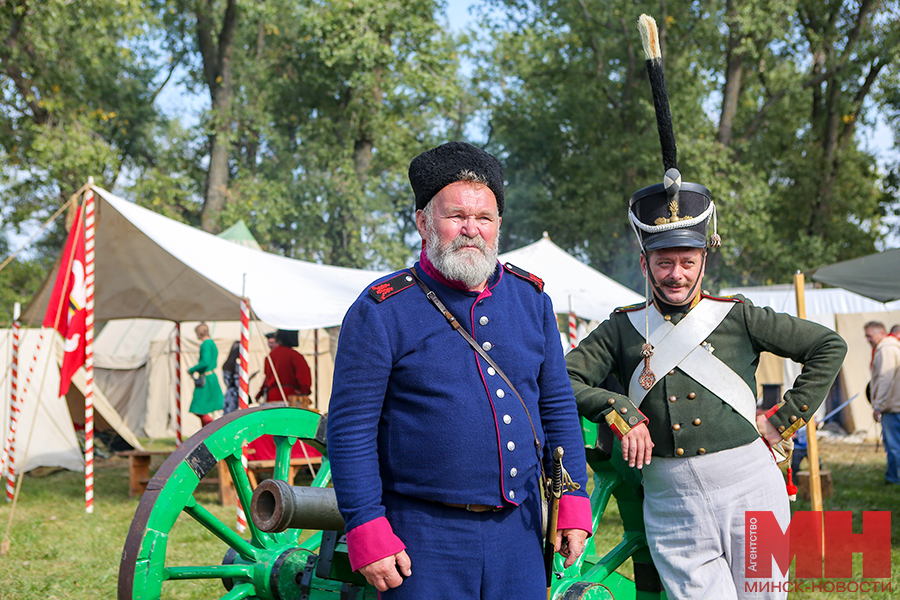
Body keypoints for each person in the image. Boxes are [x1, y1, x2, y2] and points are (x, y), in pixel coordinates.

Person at [565, 15, 846, 600]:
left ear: (703, 260)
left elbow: (828, 346)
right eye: (663, 260)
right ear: (645, 263)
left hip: (751, 482)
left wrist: (783, 418)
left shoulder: (737, 314)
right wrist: (620, 408)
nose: (676, 272)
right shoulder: (621, 330)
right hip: (669, 495)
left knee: (767, 593)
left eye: (687, 260)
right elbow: (564, 381)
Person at [326, 141, 592, 599]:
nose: (471, 229)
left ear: (498, 226)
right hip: (422, 539)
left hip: (520, 533)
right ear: (423, 222)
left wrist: (572, 497)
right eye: (456, 217)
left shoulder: (532, 301)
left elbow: (558, 408)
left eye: (484, 218)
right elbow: (351, 430)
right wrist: (366, 525)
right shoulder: (383, 310)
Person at [864, 321, 900, 485]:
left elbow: (885, 379)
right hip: (893, 405)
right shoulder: (889, 348)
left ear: (880, 333)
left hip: (892, 407)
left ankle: (894, 479)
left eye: (869, 335)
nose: (868, 339)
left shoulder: (886, 350)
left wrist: (878, 405)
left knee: (893, 446)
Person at [256, 330, 312, 407]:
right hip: (291, 397)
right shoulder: (295, 356)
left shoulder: (270, 356)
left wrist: (260, 393)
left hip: (271, 397)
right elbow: (304, 377)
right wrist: (304, 391)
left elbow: (267, 379)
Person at [187, 323, 224, 426]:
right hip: (211, 378)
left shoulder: (206, 344)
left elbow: (205, 362)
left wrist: (192, 369)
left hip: (207, 379)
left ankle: (211, 428)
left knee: (198, 408)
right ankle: (208, 431)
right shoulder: (212, 343)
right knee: (205, 409)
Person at [221, 341, 241, 414]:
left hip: (229, 393)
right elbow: (237, 383)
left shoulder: (226, 365)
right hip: (235, 395)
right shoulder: (236, 366)